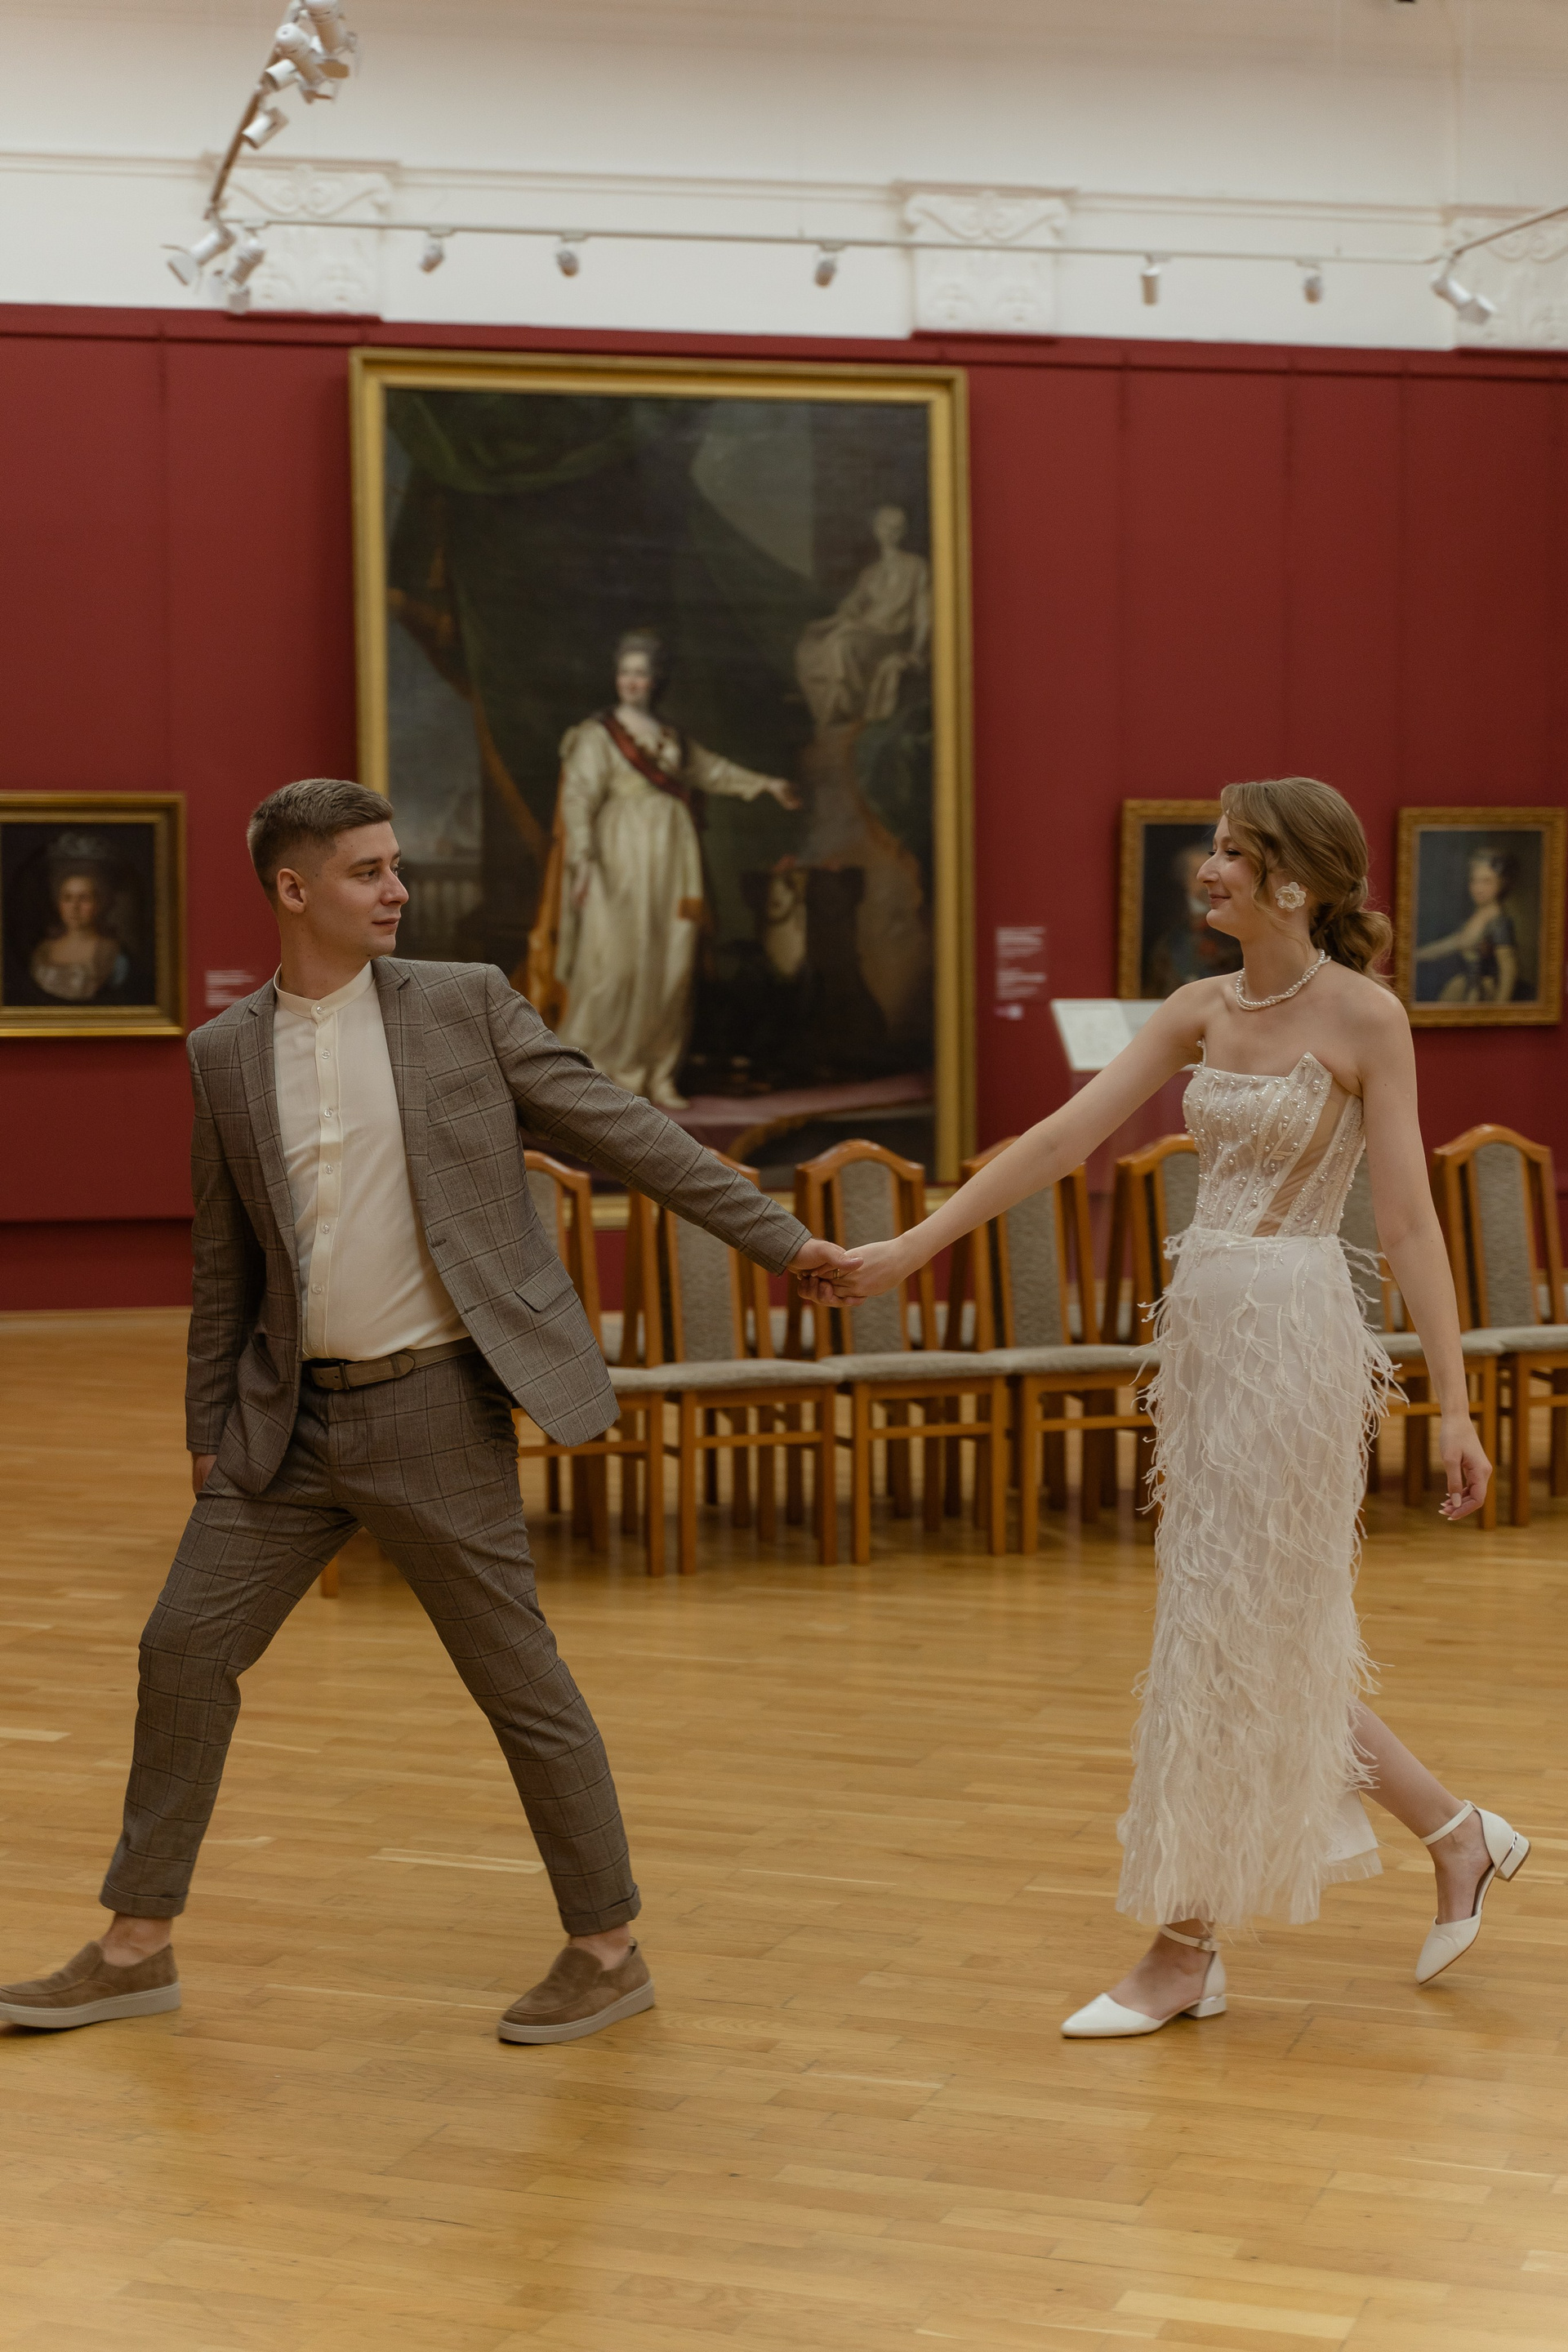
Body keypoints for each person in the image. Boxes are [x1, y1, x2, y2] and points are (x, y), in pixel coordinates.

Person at [0, 777, 856, 2043]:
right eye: (369, 871)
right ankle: (135, 1948)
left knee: (518, 1679)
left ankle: (607, 1949)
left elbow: (626, 1130)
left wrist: (785, 1242)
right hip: (283, 1429)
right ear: (294, 888)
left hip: (435, 1409)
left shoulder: (465, 1005)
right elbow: (225, 1263)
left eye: (396, 865)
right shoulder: (225, 1055)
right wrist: (205, 1427)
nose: (397, 889)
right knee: (182, 1649)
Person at [800, 775, 1527, 2036]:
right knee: (1245, 1629)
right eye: (1214, 848)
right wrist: (906, 1253)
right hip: (1204, 1339)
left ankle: (1185, 1948)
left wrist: (1455, 1406)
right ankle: (1454, 1834)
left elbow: (1410, 1224)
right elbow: (1056, 1141)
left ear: (1293, 881)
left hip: (1297, 1340)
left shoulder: (1366, 1017)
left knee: (1226, 1632)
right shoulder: (1197, 1009)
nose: (1210, 867)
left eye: (1234, 851)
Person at [530, 630, 800, 1111]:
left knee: (671, 965)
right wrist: (584, 862)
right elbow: (578, 799)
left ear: (655, 680)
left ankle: (658, 1073)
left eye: (641, 673)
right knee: (612, 965)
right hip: (618, 855)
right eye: (625, 672)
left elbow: (714, 771)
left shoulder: (672, 737)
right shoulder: (597, 735)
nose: (632, 681)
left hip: (674, 856)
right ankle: (597, 1072)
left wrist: (768, 785)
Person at [794, 505, 931, 733]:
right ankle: (834, 714)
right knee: (811, 645)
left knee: (841, 644)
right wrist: (831, 622)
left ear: (904, 531)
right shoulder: (871, 573)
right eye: (886, 526)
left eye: (897, 528)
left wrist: (917, 652)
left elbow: (924, 614)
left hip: (893, 636)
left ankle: (846, 713)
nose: (890, 533)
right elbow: (851, 607)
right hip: (867, 630)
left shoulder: (916, 566)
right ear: (876, 529)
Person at [1414, 845, 1523, 1004]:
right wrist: (1413, 955)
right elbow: (1451, 944)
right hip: (1465, 987)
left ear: (1502, 883)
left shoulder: (1499, 922)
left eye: (1487, 881)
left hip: (1484, 993)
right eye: (1474, 880)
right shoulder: (1477, 916)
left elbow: (1509, 971)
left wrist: (1499, 1009)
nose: (1479, 888)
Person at [29, 837, 131, 1003]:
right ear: (59, 904)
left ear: (99, 904)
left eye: (84, 898)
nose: (74, 907)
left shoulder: (114, 955)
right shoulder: (43, 951)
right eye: (67, 898)